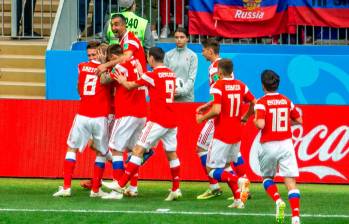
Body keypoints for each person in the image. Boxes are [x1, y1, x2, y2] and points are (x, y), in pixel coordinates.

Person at [104, 47, 182, 201]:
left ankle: (120, 184)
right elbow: (174, 92)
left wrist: (122, 80)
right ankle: (176, 188)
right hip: (172, 120)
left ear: (151, 58)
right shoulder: (171, 74)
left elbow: (129, 86)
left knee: (137, 150)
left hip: (157, 120)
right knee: (171, 153)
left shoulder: (151, 75)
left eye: (148, 57)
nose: (147, 60)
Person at [52, 41, 112, 198]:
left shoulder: (81, 66)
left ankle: (66, 187)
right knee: (100, 152)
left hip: (83, 114)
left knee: (71, 148)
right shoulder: (108, 68)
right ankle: (96, 190)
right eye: (90, 54)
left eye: (92, 54)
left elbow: (79, 87)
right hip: (100, 116)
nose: (91, 56)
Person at [196, 59, 255, 208]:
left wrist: (201, 118)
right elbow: (255, 102)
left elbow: (216, 110)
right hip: (236, 134)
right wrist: (246, 117)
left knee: (211, 170)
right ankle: (238, 199)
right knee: (228, 165)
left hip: (222, 135)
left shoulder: (218, 85)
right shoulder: (241, 85)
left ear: (220, 72)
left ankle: (238, 180)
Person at [99, 44, 151, 199]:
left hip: (127, 112)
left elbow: (103, 80)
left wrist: (104, 64)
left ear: (114, 57)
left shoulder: (120, 66)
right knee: (134, 151)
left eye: (110, 59)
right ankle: (133, 187)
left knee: (115, 149)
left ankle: (117, 190)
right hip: (141, 112)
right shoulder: (137, 62)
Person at [254, 70, 302, 224]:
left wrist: (255, 121)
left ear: (263, 86)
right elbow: (299, 119)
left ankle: (277, 200)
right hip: (286, 144)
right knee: (290, 181)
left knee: (267, 178)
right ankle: (295, 217)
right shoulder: (286, 101)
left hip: (268, 144)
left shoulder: (261, 102)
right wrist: (287, 123)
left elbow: (260, 124)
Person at [164, 27, 197, 102]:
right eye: (176, 37)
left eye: (182, 37)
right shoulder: (168, 55)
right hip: (171, 97)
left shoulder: (192, 56)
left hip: (187, 98)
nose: (179, 40)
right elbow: (165, 76)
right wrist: (170, 91)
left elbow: (191, 78)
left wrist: (182, 91)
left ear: (187, 38)